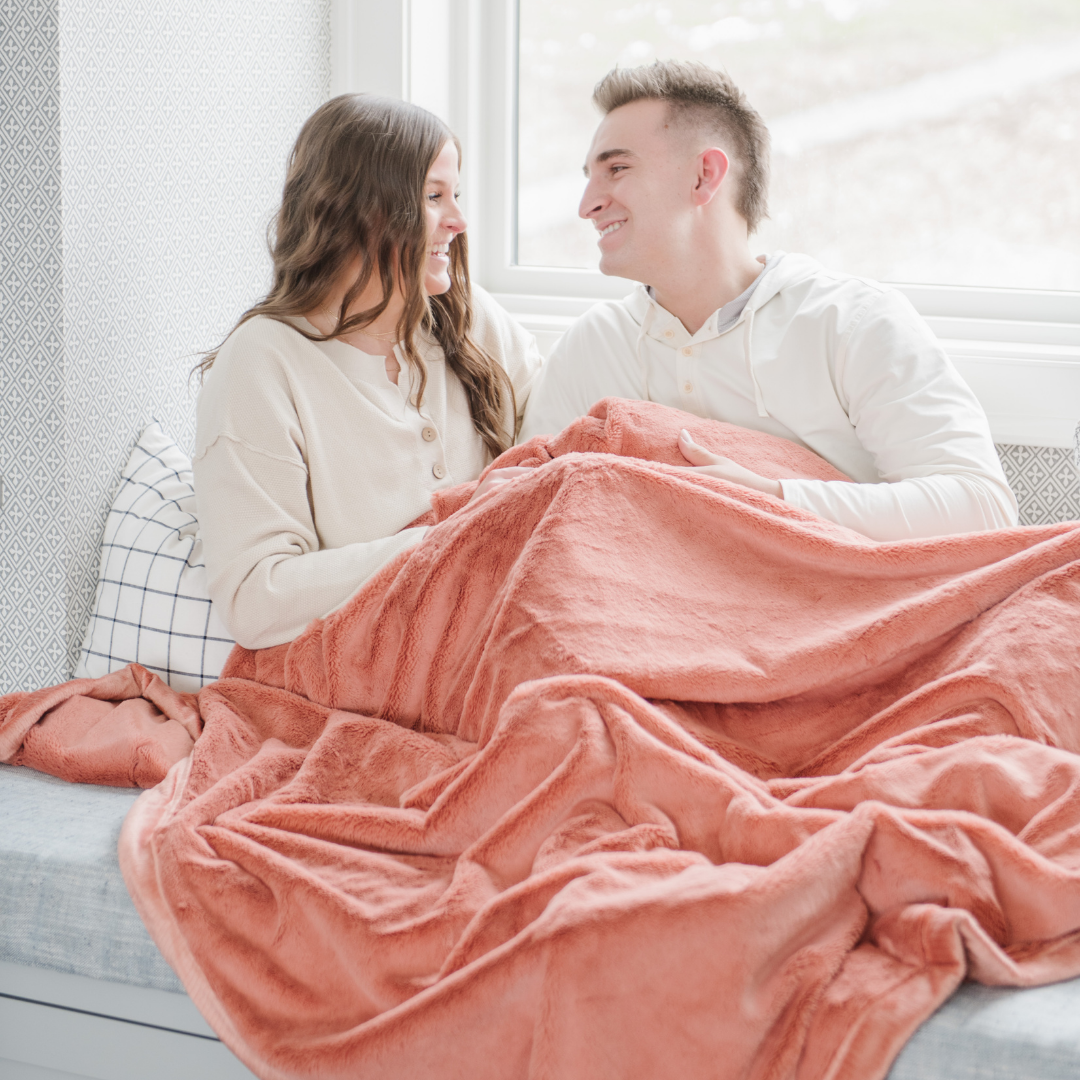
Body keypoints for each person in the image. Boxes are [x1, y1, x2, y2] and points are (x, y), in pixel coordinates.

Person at [520, 60, 1017, 542]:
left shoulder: (850, 323)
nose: (586, 205)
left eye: (617, 169)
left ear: (704, 176)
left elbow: (983, 509)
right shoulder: (591, 347)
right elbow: (521, 515)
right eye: (589, 177)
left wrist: (772, 499)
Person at [194, 95, 542, 651]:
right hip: (389, 663)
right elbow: (254, 600)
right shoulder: (262, 362)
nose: (458, 220)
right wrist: (443, 540)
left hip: (510, 628)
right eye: (433, 196)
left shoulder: (465, 314)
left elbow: (556, 436)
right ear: (359, 209)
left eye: (456, 195)